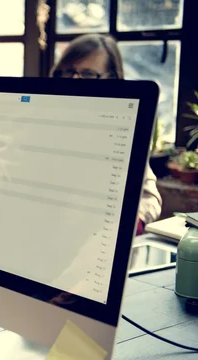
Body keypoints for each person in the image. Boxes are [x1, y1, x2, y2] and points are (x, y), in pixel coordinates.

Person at [51, 33, 162, 234]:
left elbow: (149, 197)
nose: (75, 81)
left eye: (88, 74)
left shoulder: (122, 133)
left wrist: (133, 222)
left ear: (112, 79)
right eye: (68, 72)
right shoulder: (38, 121)